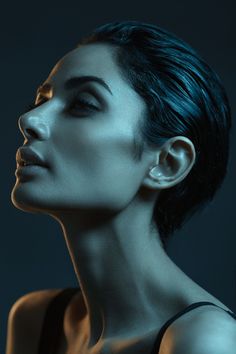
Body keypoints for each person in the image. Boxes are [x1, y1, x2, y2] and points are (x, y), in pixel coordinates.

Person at [6, 20, 235, 354]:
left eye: (83, 104)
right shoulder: (37, 320)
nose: (30, 120)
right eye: (42, 100)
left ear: (167, 163)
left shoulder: (203, 341)